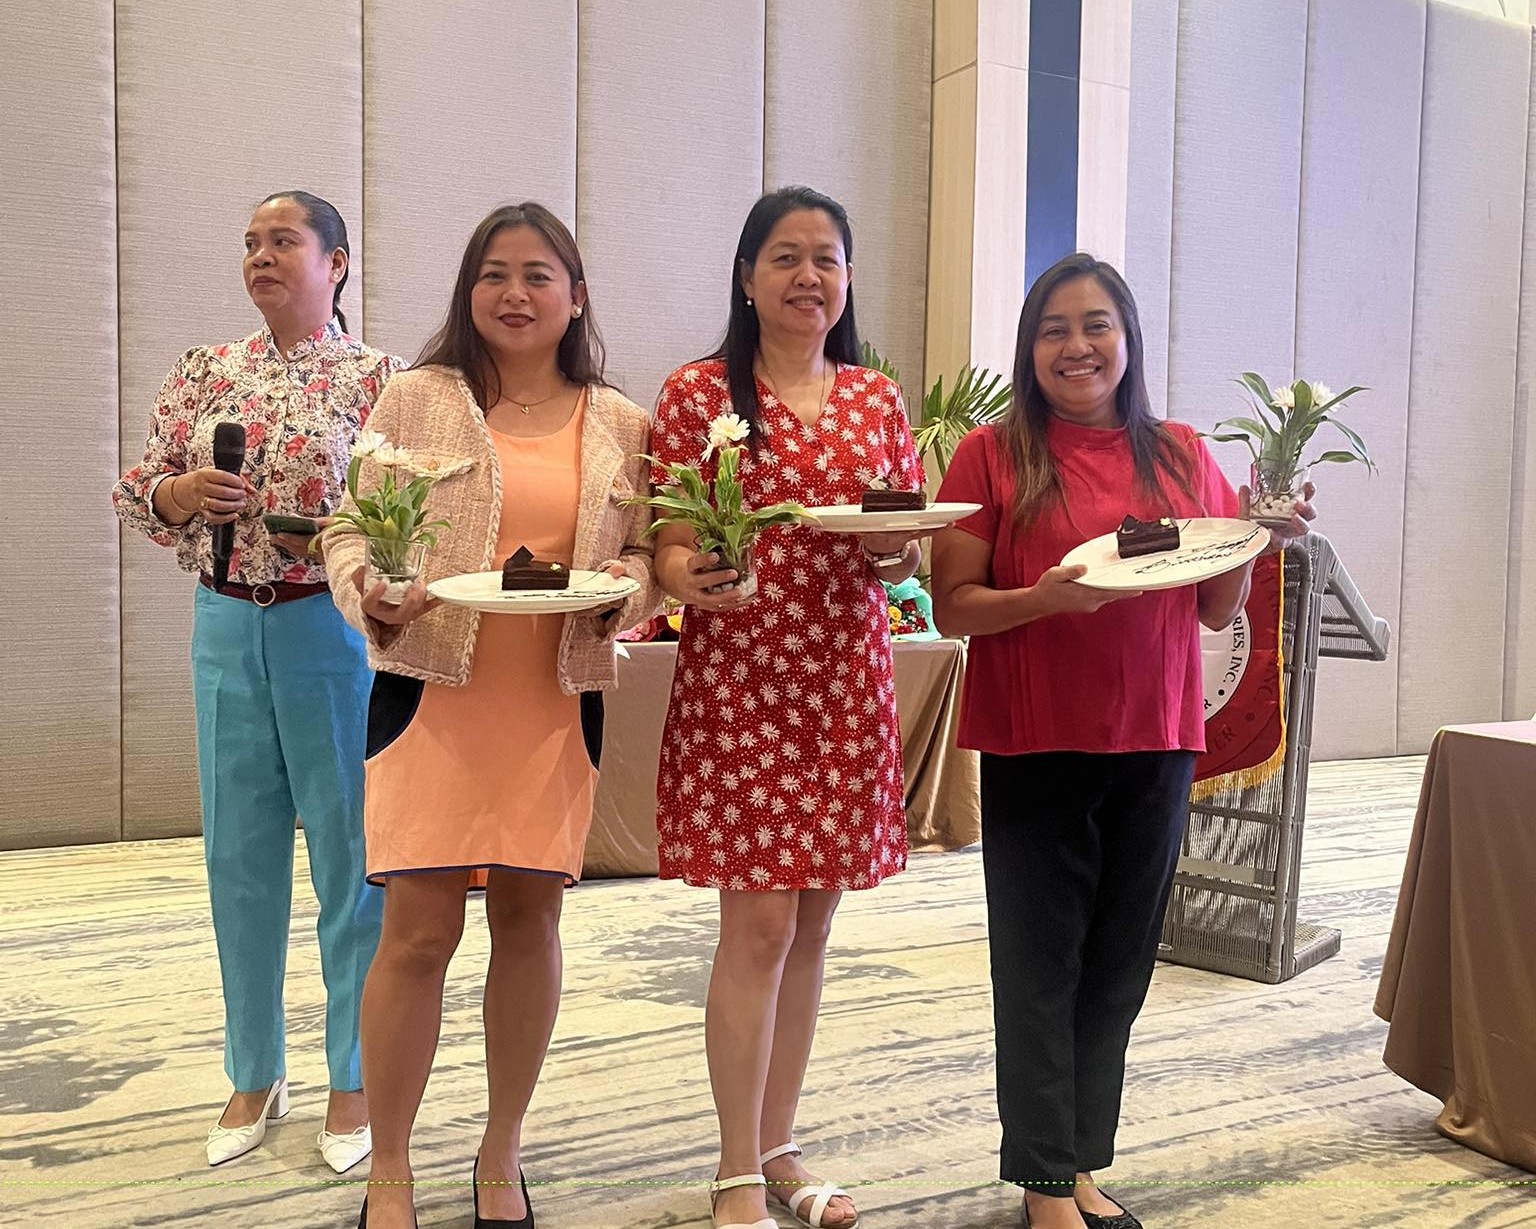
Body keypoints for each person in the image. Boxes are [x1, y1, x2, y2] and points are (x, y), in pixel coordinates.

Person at [929, 252, 1315, 1229]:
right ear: (1030, 348)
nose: (1077, 345)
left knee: (1118, 964)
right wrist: (1043, 598)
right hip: (1035, 740)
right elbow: (954, 604)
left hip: (1155, 736)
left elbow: (1214, 604)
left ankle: (1078, 1162)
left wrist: (1258, 535)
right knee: (1040, 964)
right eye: (1054, 328)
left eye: (1096, 324)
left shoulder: (1180, 453)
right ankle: (1043, 1181)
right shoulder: (992, 453)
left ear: (1128, 339)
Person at [323, 202, 658, 1229]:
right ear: (469, 291)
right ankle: (389, 1165)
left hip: (553, 703)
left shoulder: (621, 421)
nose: (515, 293)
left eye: (538, 275)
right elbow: (348, 527)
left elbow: (644, 553)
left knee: (529, 921)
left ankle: (501, 1148)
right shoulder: (418, 398)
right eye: (493, 274)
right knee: (416, 933)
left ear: (576, 296)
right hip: (431, 692)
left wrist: (627, 593)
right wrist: (369, 590)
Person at [649, 186, 924, 1229]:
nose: (809, 276)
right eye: (786, 256)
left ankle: (777, 1144)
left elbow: (903, 542)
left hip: (843, 681)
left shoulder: (877, 399)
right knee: (758, 924)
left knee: (811, 925)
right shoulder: (698, 394)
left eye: (827, 258)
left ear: (847, 278)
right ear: (748, 277)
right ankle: (734, 1168)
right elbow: (667, 540)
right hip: (743, 682)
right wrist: (687, 572)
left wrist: (898, 555)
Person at [113, 191, 401, 1173]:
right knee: (238, 855)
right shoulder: (206, 371)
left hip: (332, 626)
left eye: (284, 240)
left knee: (352, 856)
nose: (261, 255)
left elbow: (406, 510)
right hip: (227, 621)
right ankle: (254, 1069)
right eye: (250, 243)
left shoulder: (380, 382)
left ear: (337, 263)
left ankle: (353, 1074)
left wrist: (355, 541)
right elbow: (138, 488)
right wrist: (179, 492)